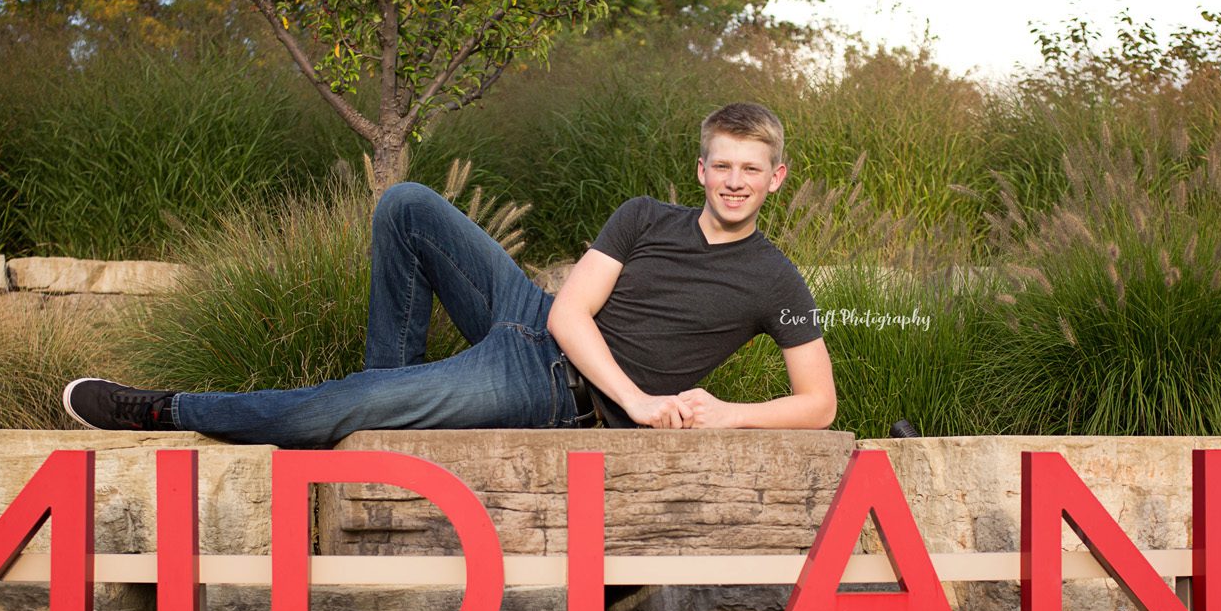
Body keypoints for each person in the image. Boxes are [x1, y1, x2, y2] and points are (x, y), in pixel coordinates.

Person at [61, 102, 836, 445]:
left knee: (357, 401)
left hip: (553, 394)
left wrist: (727, 411)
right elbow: (570, 315)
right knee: (405, 202)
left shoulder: (775, 280)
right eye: (722, 165)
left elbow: (820, 403)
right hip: (539, 323)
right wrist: (637, 401)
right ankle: (386, 413)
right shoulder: (643, 216)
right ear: (700, 169)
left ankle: (168, 410)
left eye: (752, 170)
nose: (735, 181)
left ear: (777, 177)